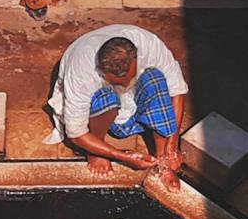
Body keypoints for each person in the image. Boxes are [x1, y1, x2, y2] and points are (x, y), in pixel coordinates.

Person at [43, 24, 190, 183]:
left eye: (129, 79)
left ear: (136, 57)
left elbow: (178, 91)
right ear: (101, 69)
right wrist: (121, 156)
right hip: (105, 111)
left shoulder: (148, 44)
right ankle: (96, 152)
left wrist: (172, 147)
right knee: (105, 97)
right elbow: (76, 133)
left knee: (155, 80)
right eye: (119, 83)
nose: (126, 86)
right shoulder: (81, 71)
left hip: (134, 104)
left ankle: (162, 161)